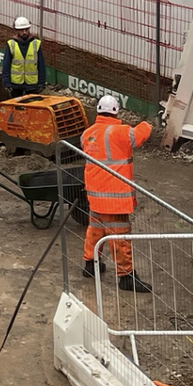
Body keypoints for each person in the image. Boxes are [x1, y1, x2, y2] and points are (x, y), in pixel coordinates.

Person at [78, 95, 155, 293]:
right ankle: (126, 277)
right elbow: (139, 136)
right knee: (119, 238)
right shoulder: (121, 132)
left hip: (94, 195)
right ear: (116, 111)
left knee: (95, 230)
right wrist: (149, 123)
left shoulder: (87, 134)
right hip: (115, 198)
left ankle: (90, 265)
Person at [3, 16, 46, 94]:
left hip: (32, 84)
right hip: (16, 84)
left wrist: (41, 83)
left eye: (26, 29)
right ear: (17, 30)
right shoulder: (11, 44)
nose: (25, 32)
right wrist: (7, 83)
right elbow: (6, 65)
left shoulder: (36, 44)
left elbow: (41, 65)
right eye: (22, 30)